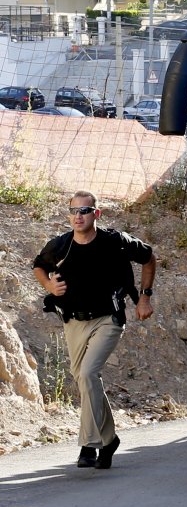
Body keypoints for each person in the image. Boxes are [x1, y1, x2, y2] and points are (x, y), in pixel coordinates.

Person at [32, 190, 156, 470]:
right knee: (84, 380)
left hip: (108, 319)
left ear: (96, 214)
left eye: (85, 211)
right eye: (74, 211)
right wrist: (49, 285)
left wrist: (145, 297)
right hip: (73, 321)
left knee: (88, 373)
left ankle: (89, 444)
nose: (79, 216)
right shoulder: (61, 245)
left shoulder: (116, 242)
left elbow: (149, 258)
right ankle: (110, 440)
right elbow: (38, 266)